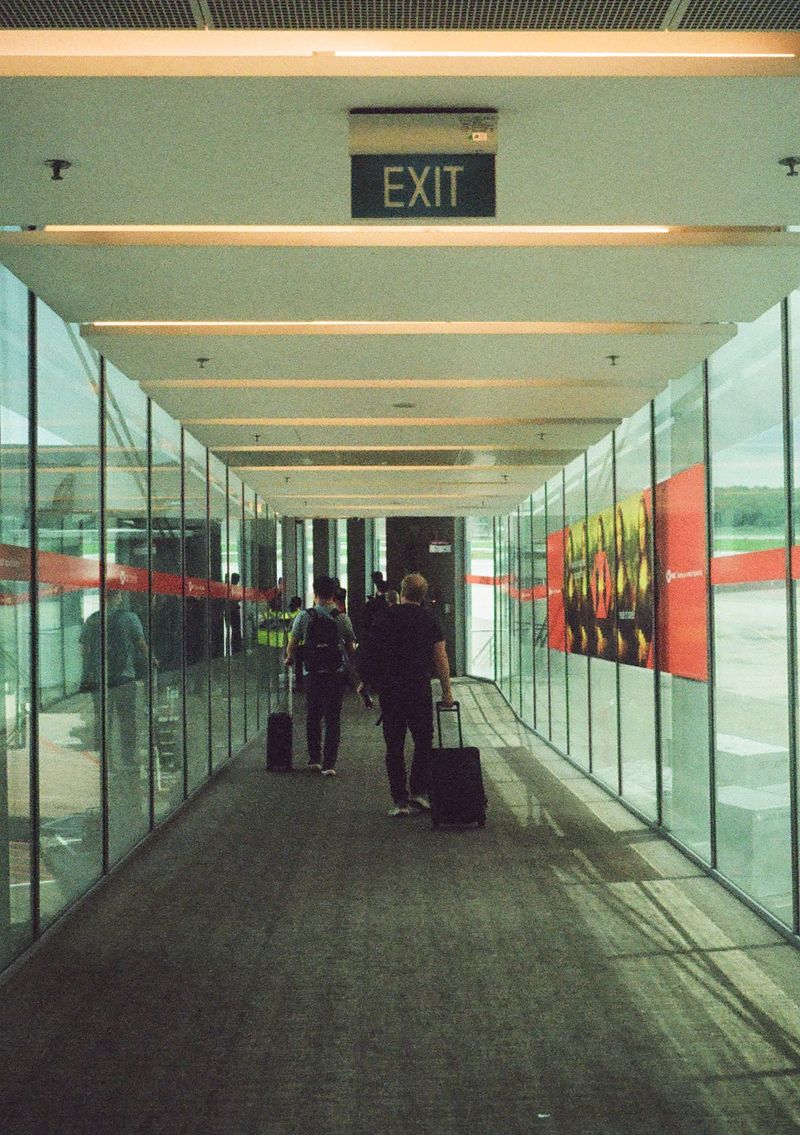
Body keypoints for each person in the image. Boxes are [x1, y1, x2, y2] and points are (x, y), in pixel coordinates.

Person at [365, 572, 454, 818]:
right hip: (419, 689)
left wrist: (366, 683)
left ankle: (399, 800)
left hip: (391, 690)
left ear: (402, 592)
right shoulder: (430, 619)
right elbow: (440, 657)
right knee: (423, 741)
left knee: (394, 745)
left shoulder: (385, 617)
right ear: (423, 595)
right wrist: (447, 690)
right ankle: (418, 792)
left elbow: (372, 652)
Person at [285, 575, 356, 776]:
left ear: (315, 594)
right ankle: (329, 764)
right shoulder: (341, 617)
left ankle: (314, 759)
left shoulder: (304, 616)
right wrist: (353, 668)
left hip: (312, 673)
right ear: (334, 594)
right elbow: (350, 647)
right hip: (335, 673)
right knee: (333, 718)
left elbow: (292, 644)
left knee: (313, 715)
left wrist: (290, 658)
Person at [287, 595, 304, 690]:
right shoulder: (301, 615)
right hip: (300, 643)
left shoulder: (287, 615)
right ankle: (299, 684)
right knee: (299, 665)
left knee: (295, 664)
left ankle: (298, 685)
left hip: (290, 643)